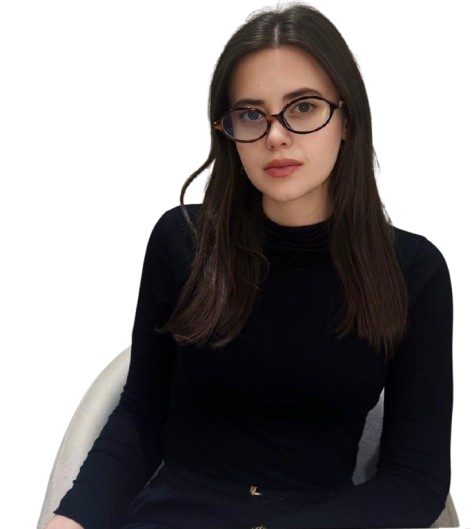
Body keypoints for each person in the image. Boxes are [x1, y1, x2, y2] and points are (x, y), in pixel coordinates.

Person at [45, 0, 454, 528]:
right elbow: (140, 416)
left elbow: (416, 481)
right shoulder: (182, 241)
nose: (275, 135)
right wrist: (72, 519)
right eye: (251, 113)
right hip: (175, 513)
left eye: (302, 107)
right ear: (228, 129)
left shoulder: (415, 271)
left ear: (347, 119)